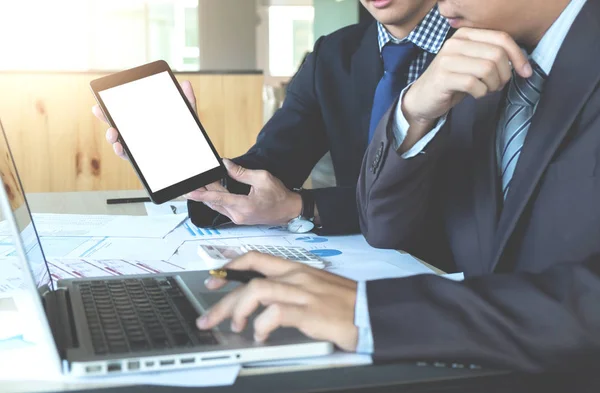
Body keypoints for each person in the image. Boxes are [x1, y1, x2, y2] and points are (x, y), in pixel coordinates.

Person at [194, 0, 600, 372]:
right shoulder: (481, 58)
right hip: (461, 339)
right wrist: (184, 156)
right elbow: (382, 224)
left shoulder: (485, 51)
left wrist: (370, 311)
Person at [94, 0, 450, 235]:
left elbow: (461, 200)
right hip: (359, 267)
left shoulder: (484, 50)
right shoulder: (334, 54)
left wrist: (303, 206)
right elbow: (273, 164)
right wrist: (189, 166)